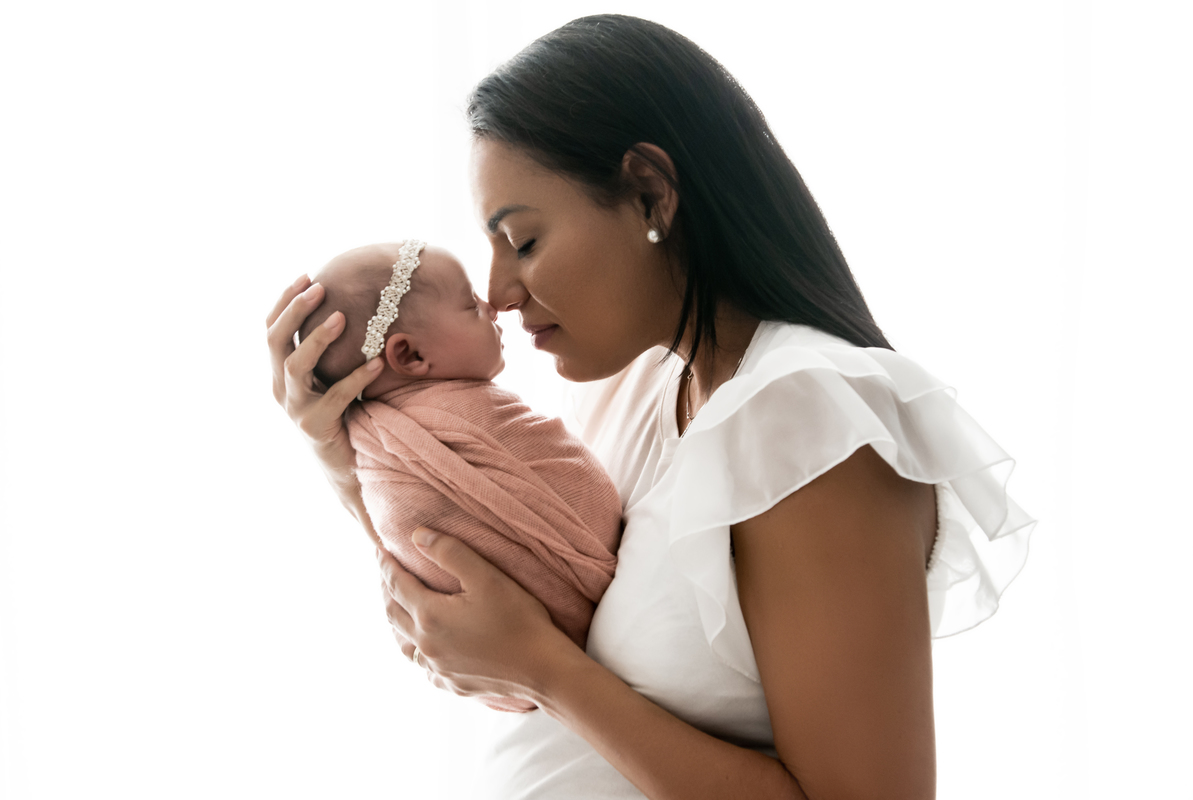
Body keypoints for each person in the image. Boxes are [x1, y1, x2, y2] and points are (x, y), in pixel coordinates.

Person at [266, 14, 1034, 800]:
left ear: (649, 194)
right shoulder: (641, 390)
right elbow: (488, 583)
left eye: (523, 242)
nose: (497, 291)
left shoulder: (805, 414)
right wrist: (346, 450)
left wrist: (545, 671)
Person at [293, 239, 623, 713]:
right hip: (533, 635)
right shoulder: (463, 414)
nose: (492, 307)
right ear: (408, 356)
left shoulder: (374, 445)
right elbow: (580, 489)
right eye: (471, 304)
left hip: (505, 671)